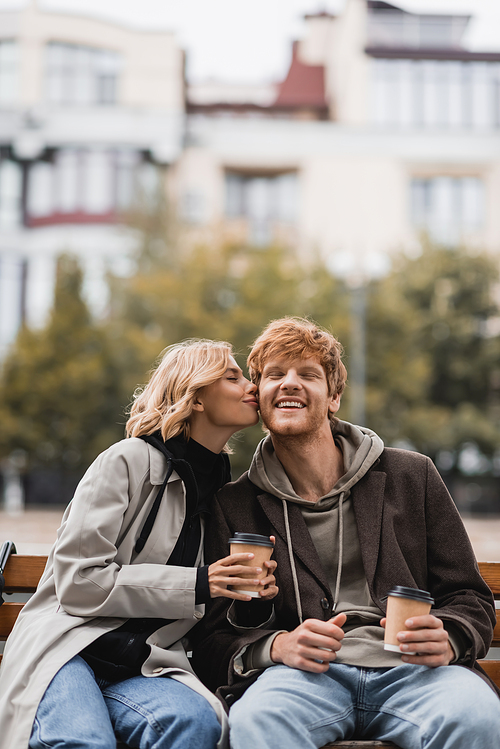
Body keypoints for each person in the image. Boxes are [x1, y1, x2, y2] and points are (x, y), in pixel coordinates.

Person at [191, 317, 500, 749]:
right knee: (256, 722)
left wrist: (449, 636)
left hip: (415, 673)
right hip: (300, 679)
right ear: (257, 399)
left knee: (476, 716)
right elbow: (209, 638)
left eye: (308, 374)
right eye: (275, 375)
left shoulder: (413, 476)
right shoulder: (231, 504)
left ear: (333, 396)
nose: (290, 384)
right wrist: (277, 646)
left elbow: (470, 597)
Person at [0, 339, 278, 749]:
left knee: (195, 724)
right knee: (84, 740)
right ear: (196, 396)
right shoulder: (126, 461)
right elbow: (79, 582)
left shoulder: (225, 492)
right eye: (233, 376)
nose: (251, 386)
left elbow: (212, 611)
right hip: (68, 649)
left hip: (145, 664)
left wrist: (254, 599)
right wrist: (199, 583)